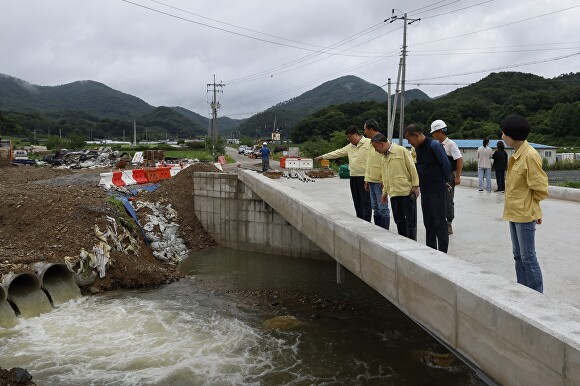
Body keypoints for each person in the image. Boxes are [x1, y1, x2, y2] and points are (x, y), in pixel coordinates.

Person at [501, 115, 548, 293]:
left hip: (524, 213)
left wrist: (533, 209)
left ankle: (537, 295)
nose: (502, 136)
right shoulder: (518, 154)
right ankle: (523, 291)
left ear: (512, 135)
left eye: (504, 133)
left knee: (528, 257)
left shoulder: (530, 156)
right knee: (518, 256)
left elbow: (540, 188)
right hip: (514, 212)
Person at [404, 124, 451, 253]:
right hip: (426, 190)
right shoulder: (418, 148)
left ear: (416, 135)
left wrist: (443, 182)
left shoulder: (434, 145)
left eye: (409, 139)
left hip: (436, 190)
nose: (409, 142)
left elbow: (446, 165)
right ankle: (431, 250)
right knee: (428, 222)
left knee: (439, 222)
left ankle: (442, 252)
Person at [315, 125, 372, 221]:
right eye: (348, 137)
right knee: (357, 201)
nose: (349, 139)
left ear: (356, 134)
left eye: (350, 136)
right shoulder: (350, 147)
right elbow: (338, 152)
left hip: (365, 177)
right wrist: (323, 157)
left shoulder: (369, 143)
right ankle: (360, 220)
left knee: (366, 201)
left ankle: (367, 221)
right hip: (353, 176)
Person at [371, 133, 419, 240]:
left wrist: (416, 186)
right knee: (399, 221)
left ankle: (412, 243)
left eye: (375, 147)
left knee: (410, 222)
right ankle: (403, 241)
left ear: (381, 144)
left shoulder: (401, 151)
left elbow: (412, 168)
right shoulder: (383, 157)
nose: (375, 150)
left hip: (407, 192)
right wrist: (384, 193)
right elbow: (385, 177)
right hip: (394, 194)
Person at [430, 120, 463, 235]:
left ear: (440, 132)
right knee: (438, 199)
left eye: (434, 132)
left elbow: (459, 160)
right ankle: (440, 221)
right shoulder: (435, 145)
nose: (433, 135)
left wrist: (457, 176)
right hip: (438, 176)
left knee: (448, 200)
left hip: (448, 176)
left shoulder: (450, 144)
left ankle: (449, 223)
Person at [363, 119, 390, 229]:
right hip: (371, 180)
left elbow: (387, 163)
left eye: (365, 130)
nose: (364, 133)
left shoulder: (383, 142)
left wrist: (385, 179)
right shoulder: (370, 143)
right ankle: (378, 230)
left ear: (371, 129)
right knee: (375, 207)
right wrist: (366, 179)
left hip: (380, 181)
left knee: (382, 207)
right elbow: (369, 162)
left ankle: (385, 232)